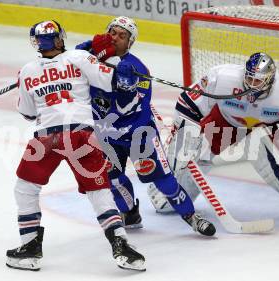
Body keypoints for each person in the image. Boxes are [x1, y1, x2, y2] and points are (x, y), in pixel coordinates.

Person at [6, 20, 146, 272]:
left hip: (45, 139)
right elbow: (115, 82)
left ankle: (29, 247)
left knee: (25, 189)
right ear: (59, 39)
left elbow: (26, 113)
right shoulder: (79, 57)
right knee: (99, 190)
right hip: (81, 135)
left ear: (37, 43)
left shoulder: (27, 70)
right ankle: (120, 244)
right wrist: (124, 73)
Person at [148, 52, 279, 226]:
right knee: (194, 150)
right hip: (225, 120)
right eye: (249, 78)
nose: (252, 85)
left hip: (265, 128)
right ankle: (176, 193)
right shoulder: (221, 78)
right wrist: (185, 134)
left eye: (258, 81)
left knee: (271, 159)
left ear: (270, 80)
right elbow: (188, 103)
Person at [75, 16, 216, 236]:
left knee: (163, 181)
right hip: (107, 135)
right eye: (112, 32)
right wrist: (75, 56)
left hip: (138, 134)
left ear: (130, 43)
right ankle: (130, 212)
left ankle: (190, 216)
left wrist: (125, 84)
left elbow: (128, 108)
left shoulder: (137, 69)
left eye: (122, 36)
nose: (115, 38)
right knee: (112, 178)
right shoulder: (90, 61)